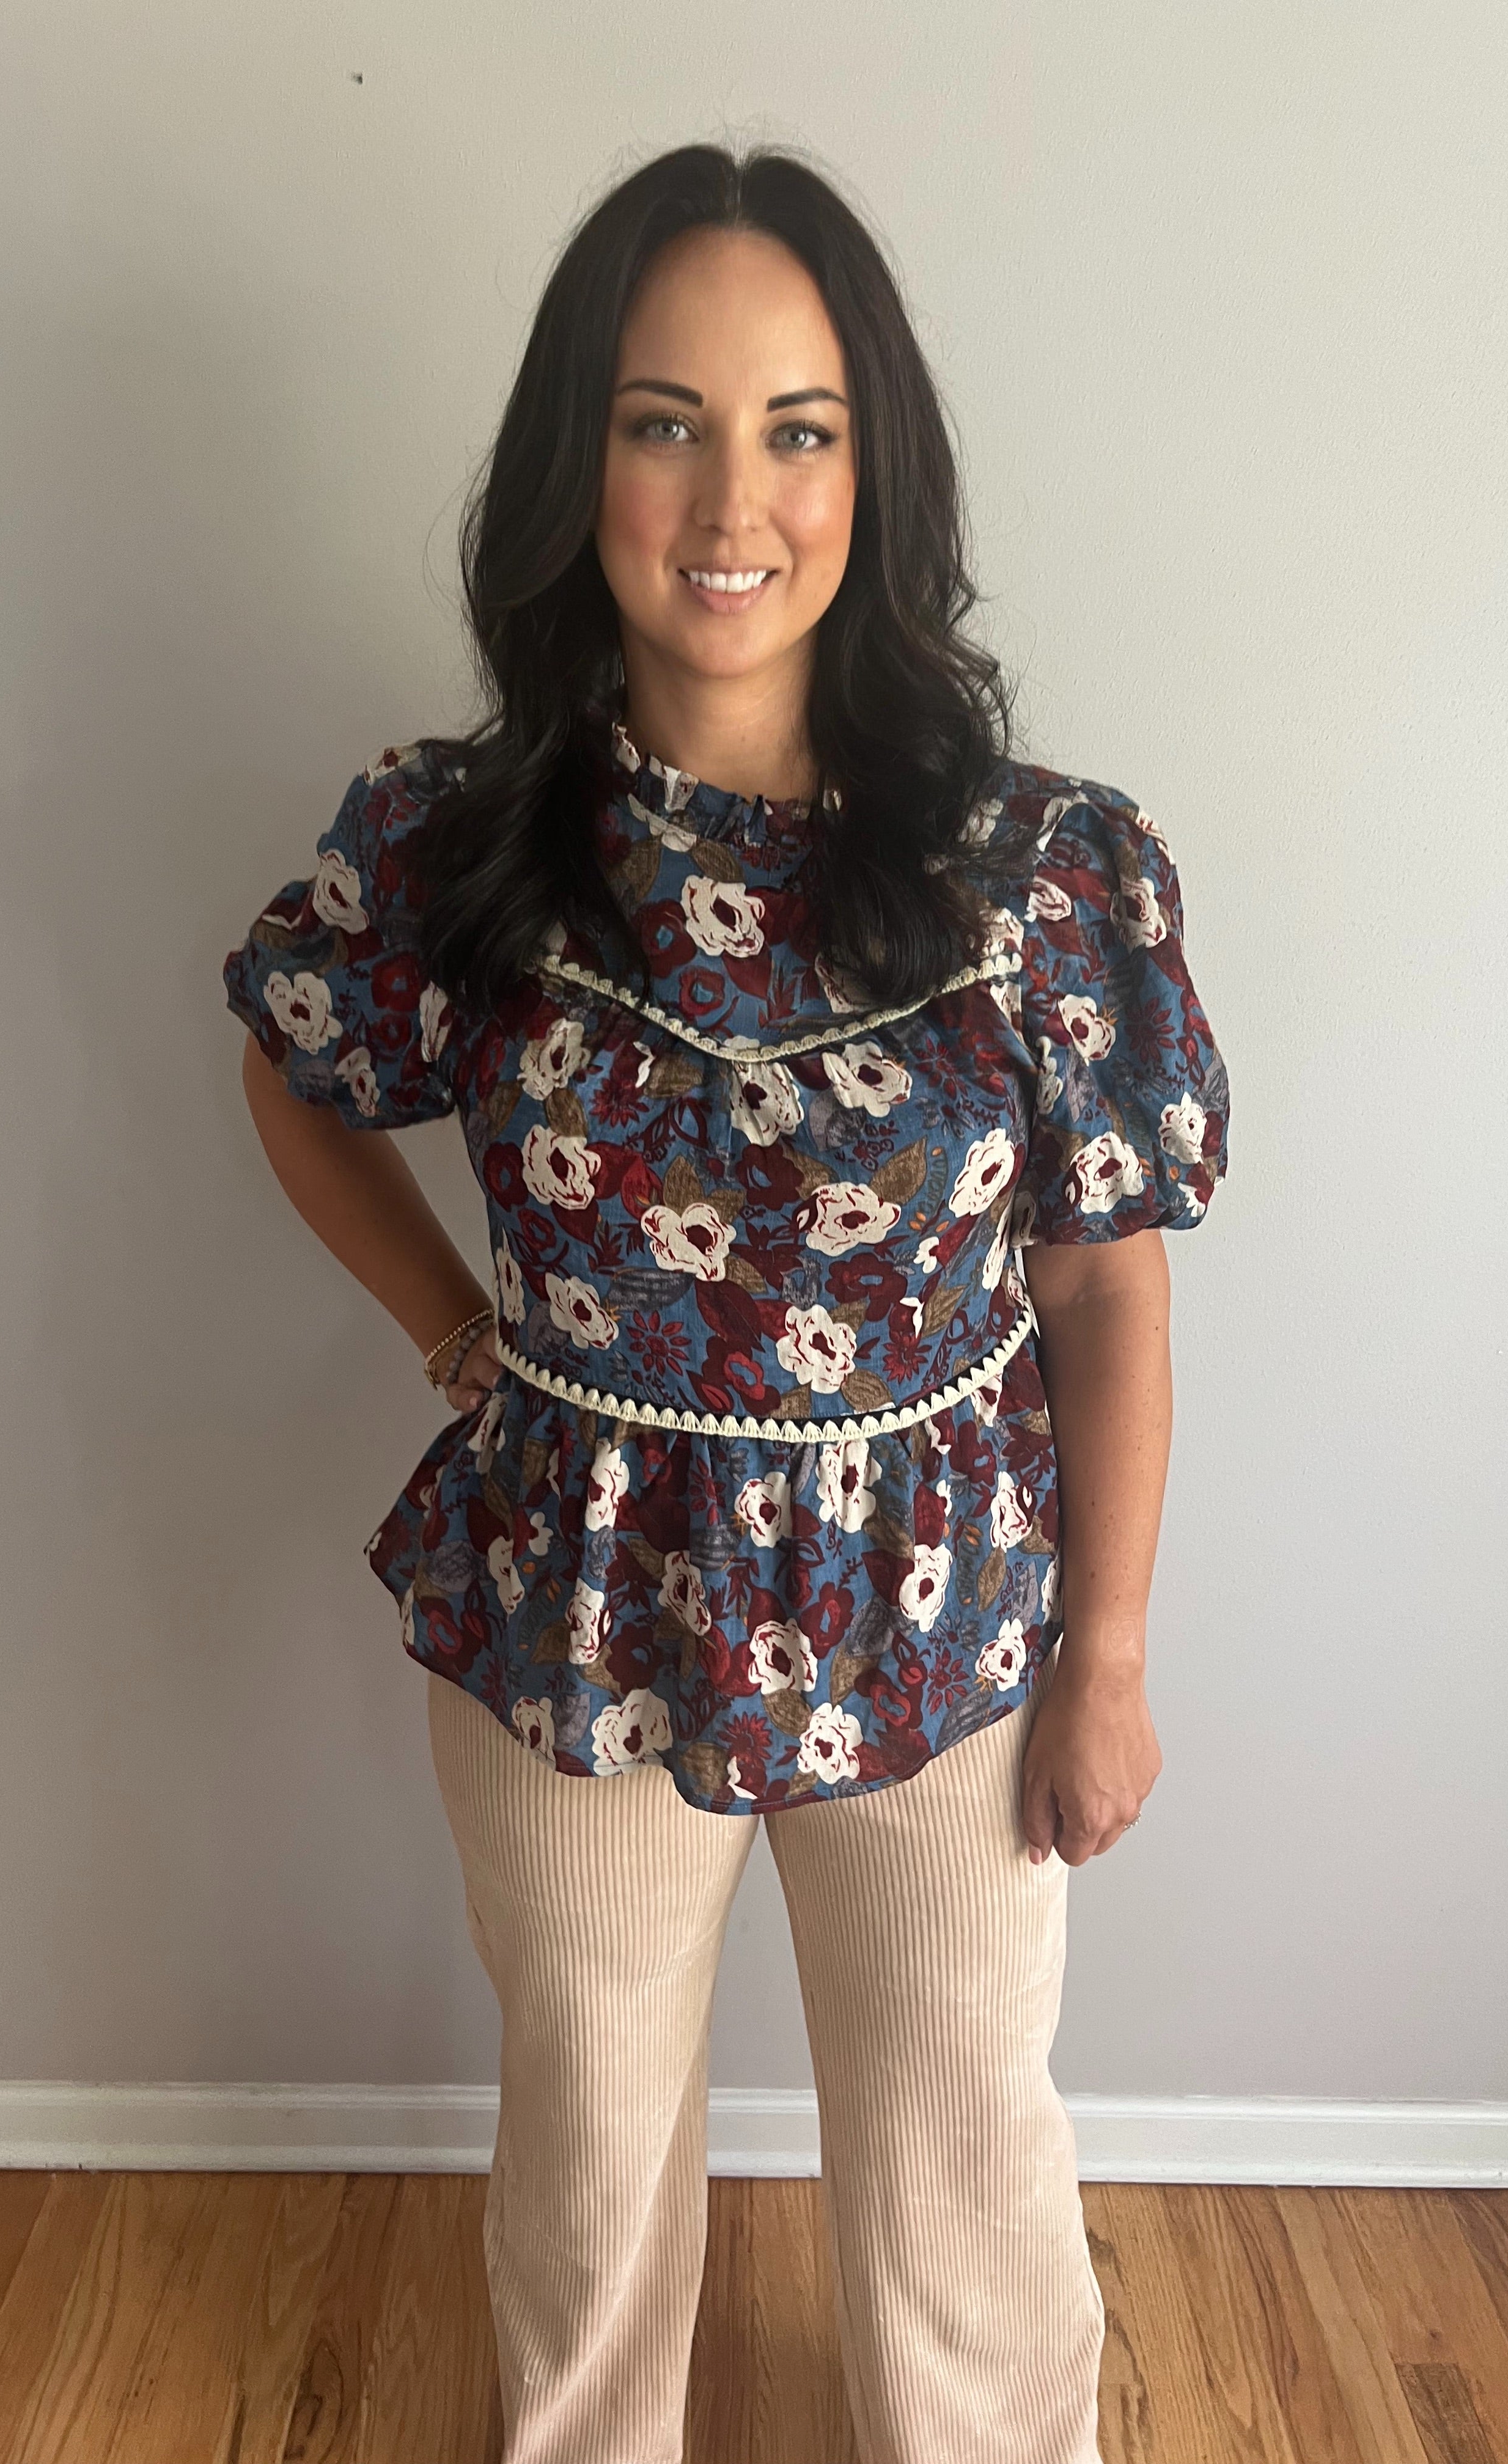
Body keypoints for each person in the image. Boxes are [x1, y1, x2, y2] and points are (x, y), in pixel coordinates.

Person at [224, 141, 1228, 2464]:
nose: (730, 502)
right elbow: (296, 1072)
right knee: (588, 2151)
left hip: (947, 1615)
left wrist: (1106, 1658)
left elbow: (1102, 1284)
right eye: (664, 422)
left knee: (965, 2147)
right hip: (573, 1606)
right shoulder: (457, 841)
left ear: (877, 467)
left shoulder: (1040, 875)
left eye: (800, 429)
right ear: (578, 458)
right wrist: (455, 1335)